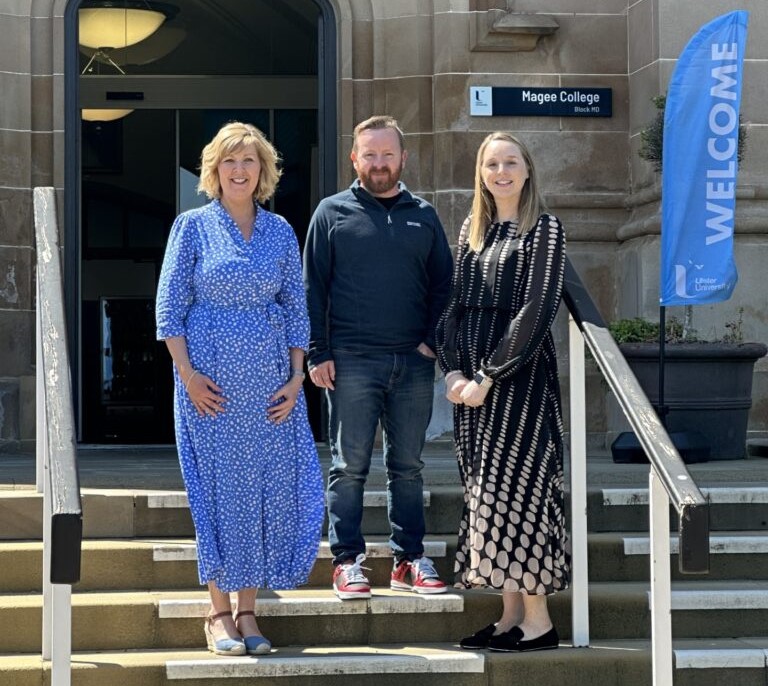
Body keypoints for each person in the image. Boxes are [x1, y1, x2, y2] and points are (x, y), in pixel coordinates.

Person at [155, 121, 324, 656]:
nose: (239, 170)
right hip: (211, 391)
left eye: (249, 160)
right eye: (229, 160)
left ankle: (249, 612)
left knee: (264, 496)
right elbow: (169, 307)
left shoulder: (280, 232)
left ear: (263, 170)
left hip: (271, 391)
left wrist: (297, 378)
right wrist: (187, 375)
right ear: (214, 169)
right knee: (220, 496)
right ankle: (218, 614)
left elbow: (296, 309)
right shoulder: (192, 226)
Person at [304, 115, 454, 599]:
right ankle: (346, 560)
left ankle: (409, 558)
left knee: (407, 466)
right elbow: (313, 289)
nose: (379, 164)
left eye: (388, 154)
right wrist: (318, 352)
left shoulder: (424, 215)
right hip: (349, 361)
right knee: (348, 466)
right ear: (355, 158)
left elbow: (443, 286)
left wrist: (432, 339)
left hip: (412, 363)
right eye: (370, 154)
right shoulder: (331, 213)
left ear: (403, 158)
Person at [435, 132, 569, 652]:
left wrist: (489, 376)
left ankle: (539, 622)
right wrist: (451, 373)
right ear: (481, 173)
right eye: (492, 164)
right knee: (488, 497)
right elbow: (454, 307)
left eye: (510, 162)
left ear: (528, 169)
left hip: (519, 385)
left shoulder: (545, 229)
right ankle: (510, 615)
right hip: (470, 390)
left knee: (525, 495)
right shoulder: (474, 228)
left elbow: (536, 310)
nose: (501, 171)